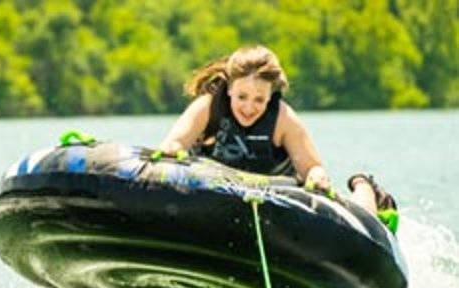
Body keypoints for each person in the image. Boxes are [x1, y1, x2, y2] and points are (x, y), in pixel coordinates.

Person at [157, 45, 398, 232]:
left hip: (276, 201)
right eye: (242, 96)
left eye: (259, 99)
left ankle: (367, 189)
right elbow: (174, 143)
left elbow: (313, 168)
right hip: (215, 195)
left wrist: (316, 176)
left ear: (270, 97)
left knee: (351, 213)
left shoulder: (283, 119)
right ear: (229, 88)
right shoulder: (207, 108)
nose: (249, 107)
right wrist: (171, 150)